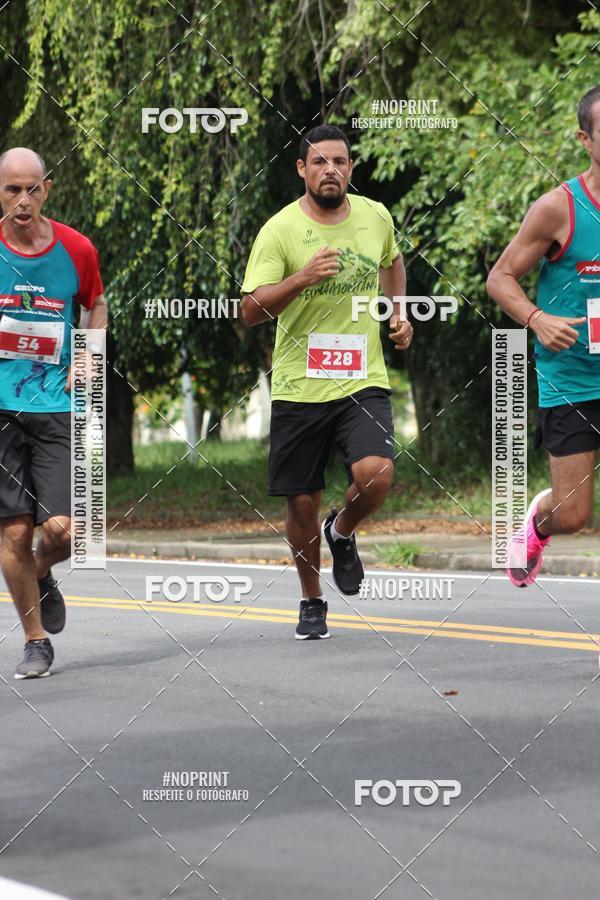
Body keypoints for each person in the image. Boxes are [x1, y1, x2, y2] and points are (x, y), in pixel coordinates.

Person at [241, 124, 412, 639]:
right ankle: (311, 598)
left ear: (351, 169)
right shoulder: (279, 231)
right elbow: (250, 310)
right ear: (302, 169)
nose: (330, 170)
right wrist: (302, 278)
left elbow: (393, 261)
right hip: (299, 385)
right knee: (300, 502)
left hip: (362, 378)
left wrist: (398, 312)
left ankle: (341, 532)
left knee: (377, 475)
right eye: (319, 162)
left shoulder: (375, 216)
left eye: (339, 161)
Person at [487, 86, 600, 586]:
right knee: (574, 515)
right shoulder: (559, 208)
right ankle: (538, 521)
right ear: (585, 138)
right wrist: (536, 319)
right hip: (572, 376)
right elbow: (500, 278)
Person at [0, 147, 107, 678]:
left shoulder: (76, 249)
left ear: (47, 189)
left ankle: (42, 572)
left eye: (32, 189)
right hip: (1, 410)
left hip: (58, 407)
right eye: (11, 190)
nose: (23, 200)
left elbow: (97, 301)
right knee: (14, 532)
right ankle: (35, 639)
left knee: (65, 531)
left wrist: (89, 350)